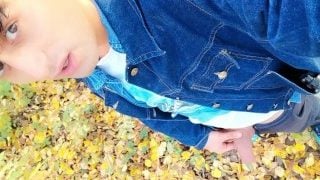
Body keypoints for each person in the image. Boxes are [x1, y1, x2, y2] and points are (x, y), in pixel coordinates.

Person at [0, 0, 319, 162]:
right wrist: (200, 138)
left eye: (10, 28)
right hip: (258, 118)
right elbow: (145, 111)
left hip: (290, 96)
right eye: (1, 68)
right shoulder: (88, 69)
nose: (39, 70)